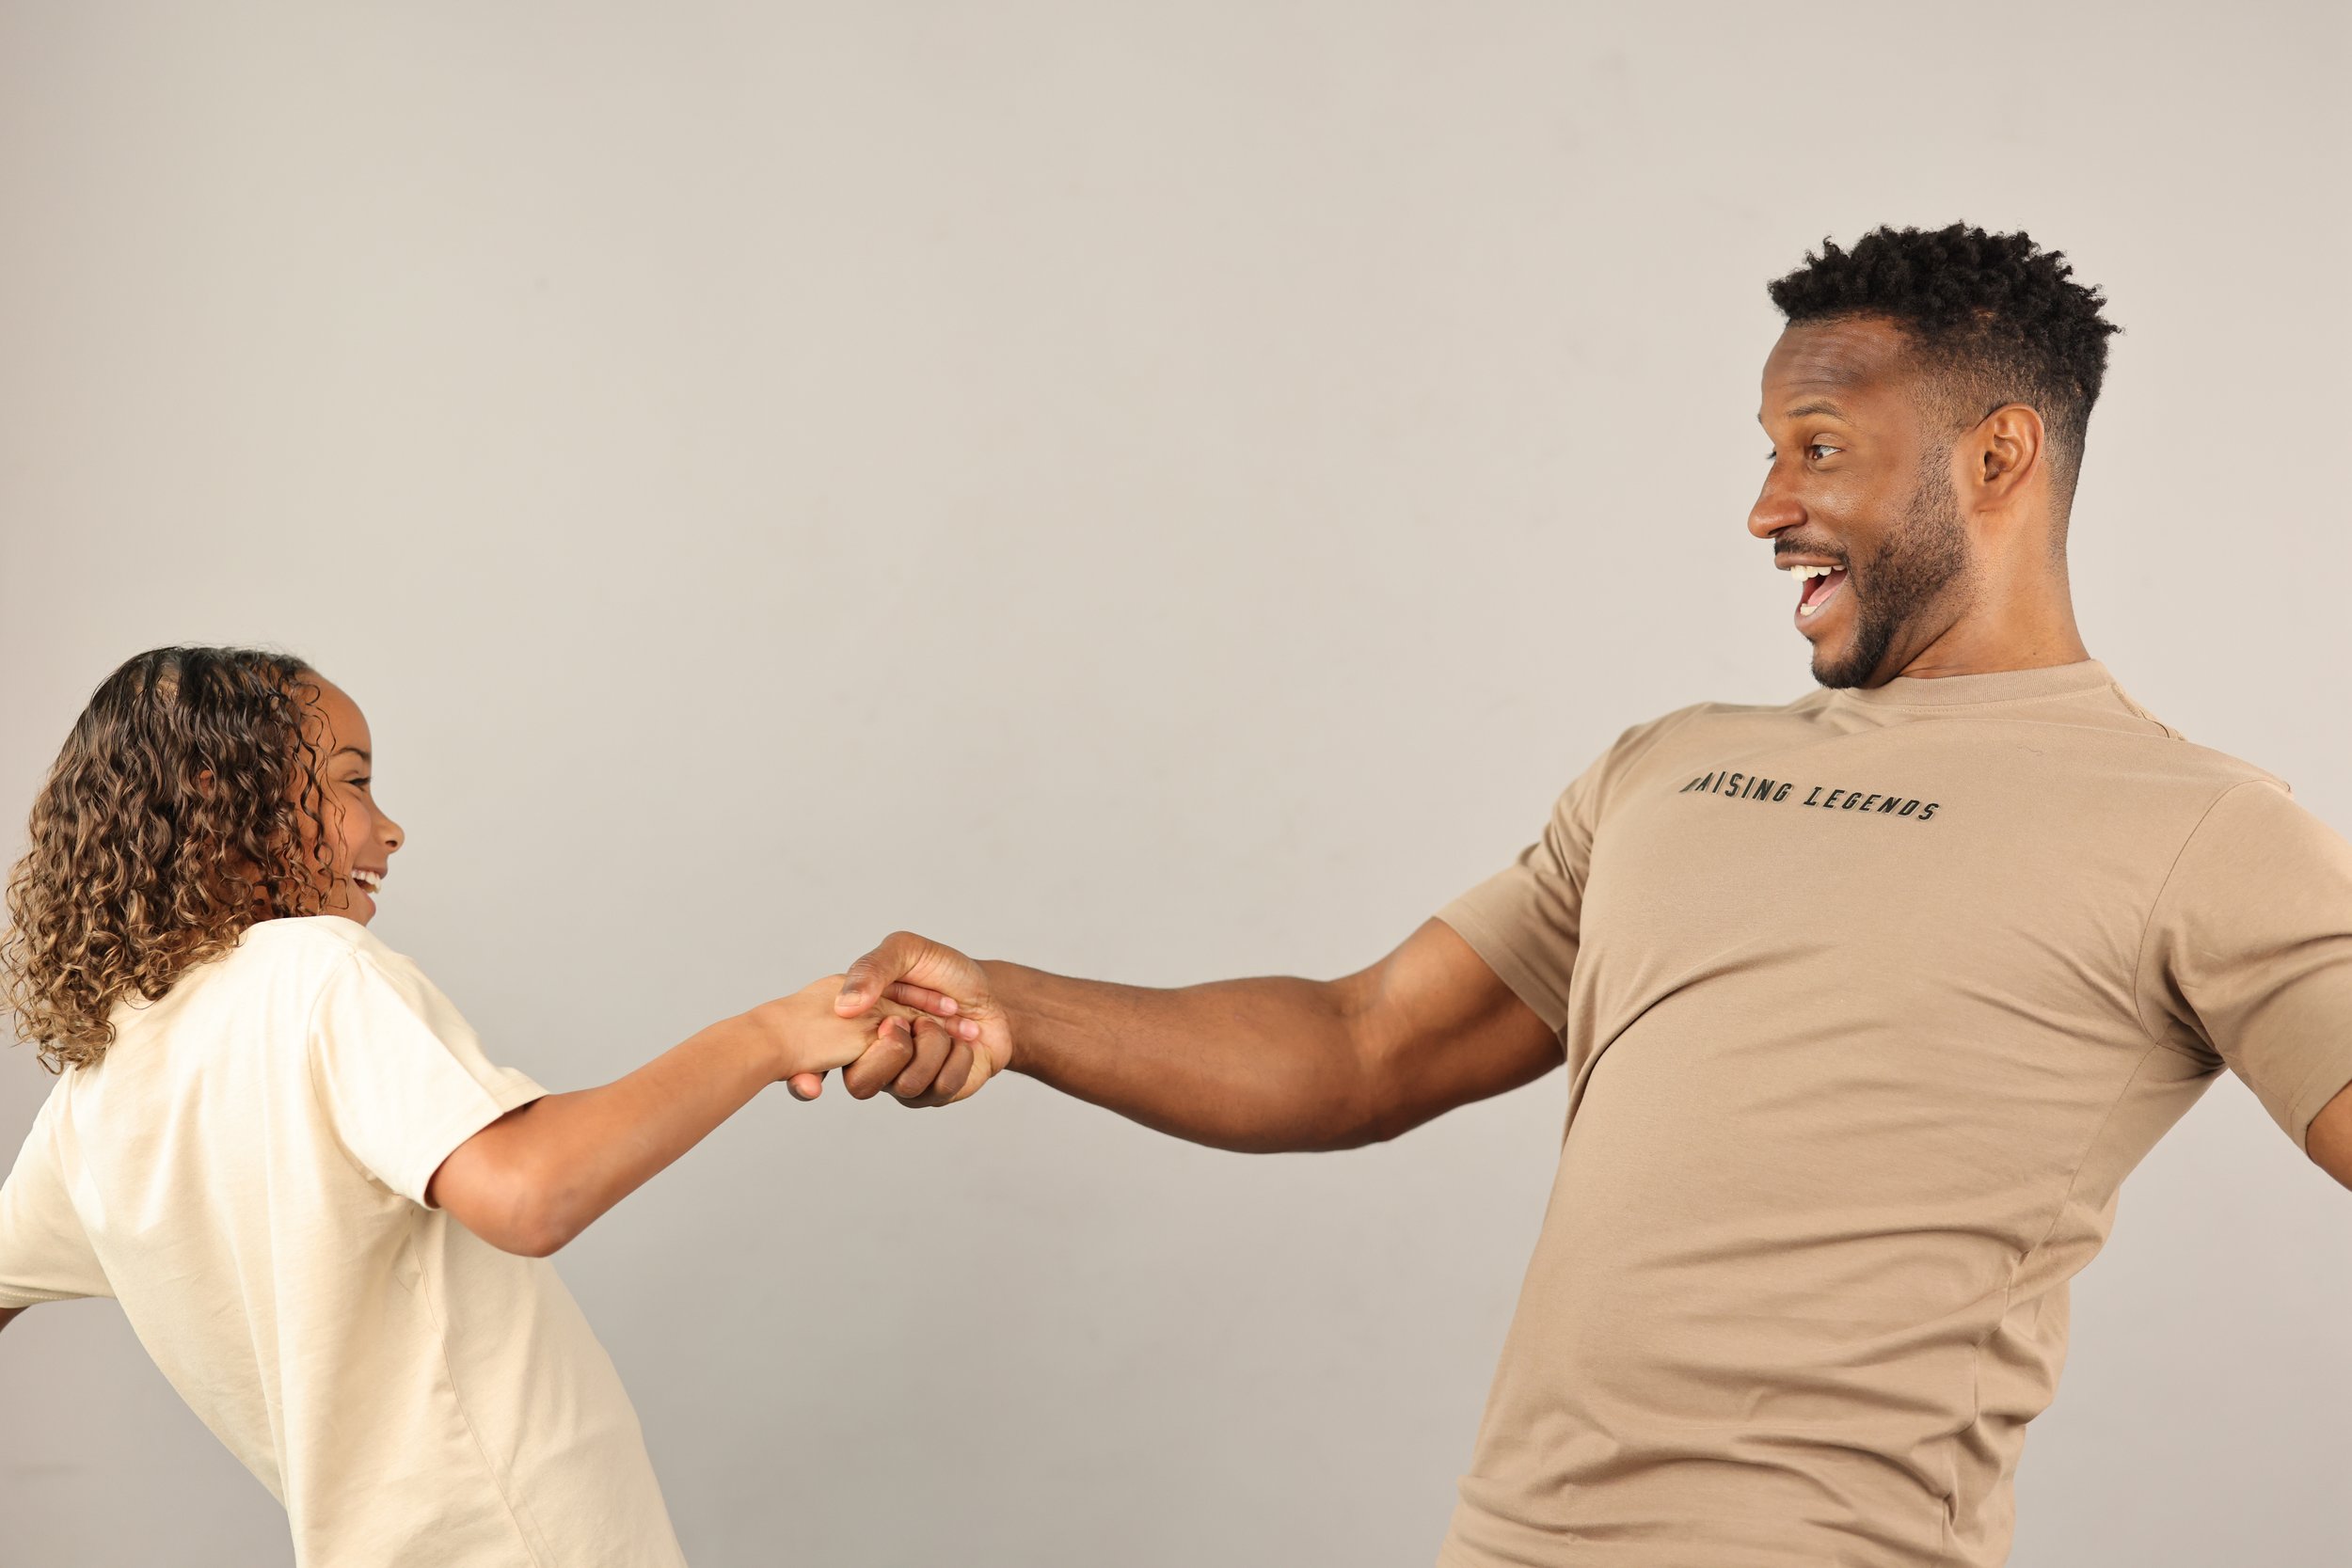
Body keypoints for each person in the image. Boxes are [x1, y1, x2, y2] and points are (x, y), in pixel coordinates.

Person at [824, 225, 2352, 1566]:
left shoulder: (2200, 827)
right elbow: (1363, 1043)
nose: (1766, 506)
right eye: (1767, 452)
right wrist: (1006, 1005)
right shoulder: (1668, 769)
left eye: (1819, 447)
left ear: (1998, 456)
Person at [0, 647, 931, 1567]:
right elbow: (530, 1190)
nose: (390, 827)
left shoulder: (104, 1078)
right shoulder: (313, 968)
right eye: (353, 781)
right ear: (221, 800)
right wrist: (769, 1033)